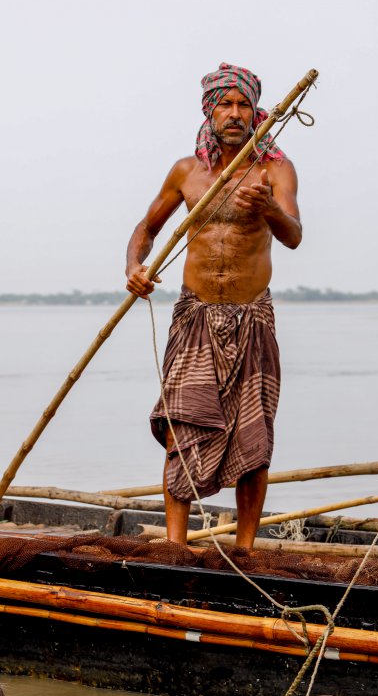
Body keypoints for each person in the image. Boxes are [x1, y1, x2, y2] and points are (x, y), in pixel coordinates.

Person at [125, 63, 302, 548]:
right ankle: (176, 546)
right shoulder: (187, 171)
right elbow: (146, 229)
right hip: (195, 314)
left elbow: (293, 236)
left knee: (254, 438)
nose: (234, 113)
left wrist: (266, 206)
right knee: (183, 425)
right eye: (225, 103)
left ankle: (245, 549)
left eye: (243, 104)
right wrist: (133, 268)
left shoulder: (274, 169)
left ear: (255, 112)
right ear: (210, 109)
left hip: (252, 317)